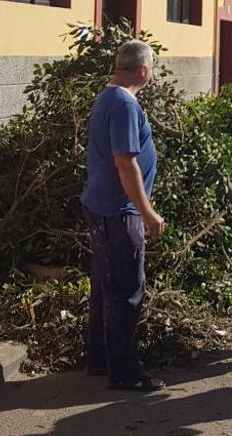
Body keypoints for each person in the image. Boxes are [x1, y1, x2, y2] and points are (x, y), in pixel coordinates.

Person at [80, 40, 166, 391]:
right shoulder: (123, 103)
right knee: (127, 291)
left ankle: (99, 360)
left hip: (101, 207)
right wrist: (148, 213)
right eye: (153, 68)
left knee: (105, 287)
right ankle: (126, 373)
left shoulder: (109, 96)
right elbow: (125, 162)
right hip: (119, 211)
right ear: (143, 70)